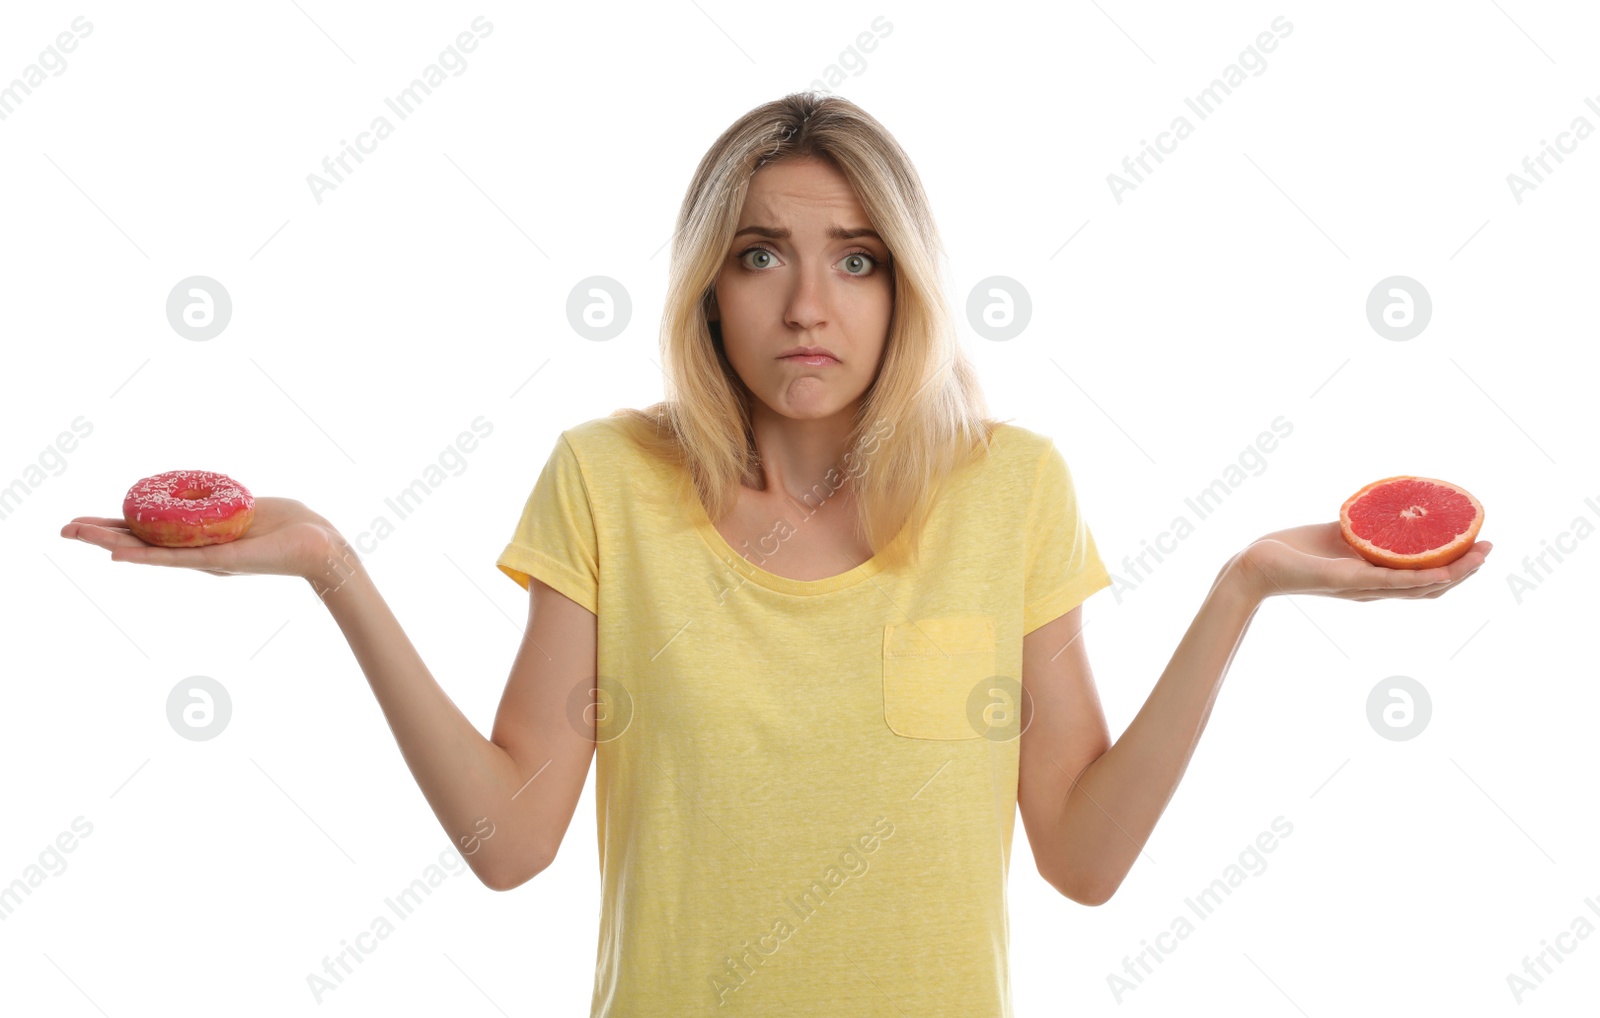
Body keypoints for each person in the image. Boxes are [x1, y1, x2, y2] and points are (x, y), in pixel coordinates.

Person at [61, 92, 1492, 1017]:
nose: (810, 302)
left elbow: (1087, 854)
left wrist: (1241, 590)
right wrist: (329, 567)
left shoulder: (1011, 489)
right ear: (708, 283)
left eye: (857, 257)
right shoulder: (608, 479)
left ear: (906, 283)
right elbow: (511, 844)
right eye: (761, 253)